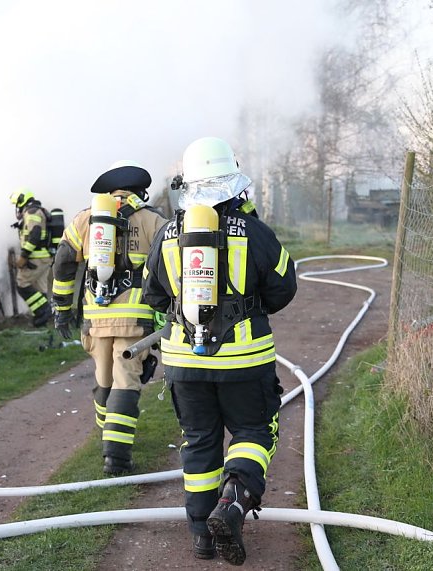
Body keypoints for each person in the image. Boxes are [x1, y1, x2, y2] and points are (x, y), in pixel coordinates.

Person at [142, 137, 297, 565]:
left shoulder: (169, 235)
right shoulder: (254, 231)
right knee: (252, 432)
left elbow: (152, 295)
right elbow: (285, 286)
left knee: (199, 441)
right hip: (246, 361)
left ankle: (201, 537)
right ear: (232, 182)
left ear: (187, 185)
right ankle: (231, 503)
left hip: (184, 364)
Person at [51, 160, 167, 475]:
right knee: (126, 379)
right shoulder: (152, 220)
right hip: (135, 321)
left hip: (95, 319)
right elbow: (169, 267)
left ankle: (109, 436)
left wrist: (62, 309)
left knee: (104, 378)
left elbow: (63, 264)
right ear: (139, 190)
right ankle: (116, 457)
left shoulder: (84, 220)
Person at [10, 188, 54, 327]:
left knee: (22, 284)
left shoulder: (31, 212)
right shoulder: (36, 211)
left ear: (22, 202)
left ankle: (44, 311)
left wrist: (23, 256)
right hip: (44, 257)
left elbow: (35, 234)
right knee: (40, 288)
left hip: (36, 258)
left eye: (17, 204)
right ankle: (42, 321)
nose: (17, 208)